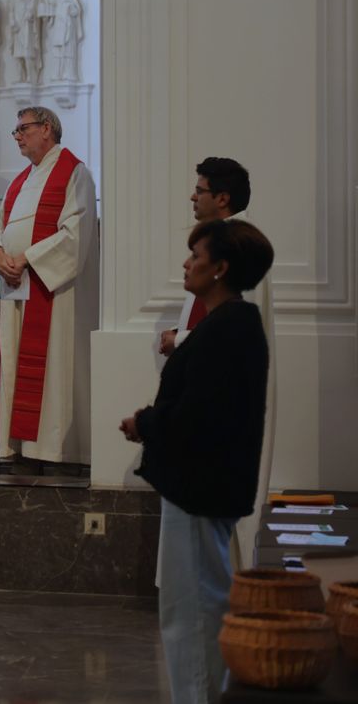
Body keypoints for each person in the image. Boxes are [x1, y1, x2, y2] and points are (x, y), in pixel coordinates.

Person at [120, 219, 274, 704]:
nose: (187, 264)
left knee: (193, 610)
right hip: (205, 484)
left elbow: (199, 415)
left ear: (221, 268)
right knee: (199, 601)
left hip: (200, 485)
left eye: (196, 256)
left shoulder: (227, 329)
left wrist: (144, 423)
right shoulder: (230, 323)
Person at [158, 157, 275, 570]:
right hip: (195, 428)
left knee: (212, 564)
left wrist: (181, 340)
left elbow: (232, 334)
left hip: (216, 432)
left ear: (222, 198)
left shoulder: (237, 249)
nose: (193, 195)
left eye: (200, 189)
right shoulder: (215, 243)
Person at [0, 106, 99, 469]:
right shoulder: (19, 181)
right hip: (18, 290)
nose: (17, 136)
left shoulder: (74, 173)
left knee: (53, 369)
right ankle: (20, 446)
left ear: (46, 129)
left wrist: (28, 259)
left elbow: (75, 233)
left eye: (22, 129)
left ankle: (53, 450)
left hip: (52, 294)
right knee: (18, 366)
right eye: (15, 131)